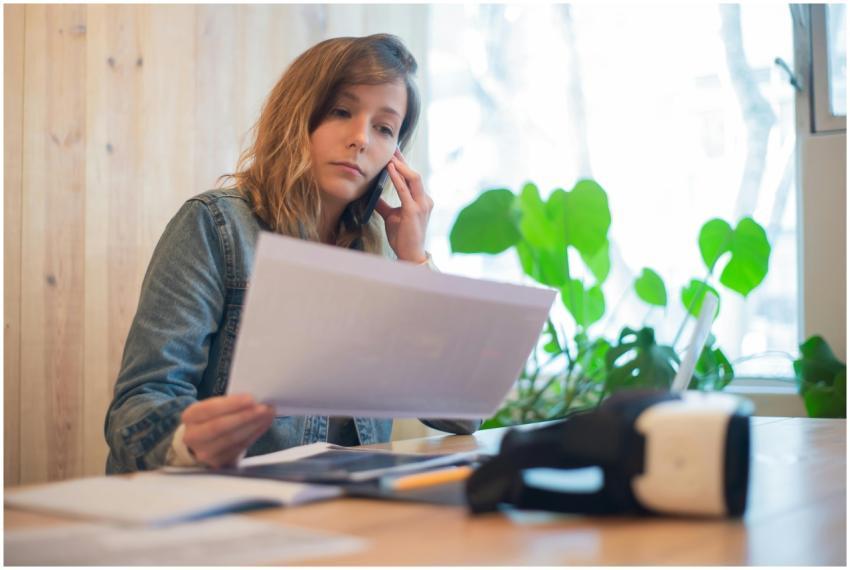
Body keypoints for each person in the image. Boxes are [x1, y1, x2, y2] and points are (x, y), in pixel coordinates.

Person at [104, 34, 481, 474]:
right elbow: (136, 407)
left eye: (384, 127)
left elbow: (461, 415)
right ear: (298, 115)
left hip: (347, 510)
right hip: (224, 507)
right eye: (341, 111)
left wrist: (415, 263)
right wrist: (190, 441)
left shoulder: (384, 254)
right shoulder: (215, 225)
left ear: (395, 157)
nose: (361, 139)